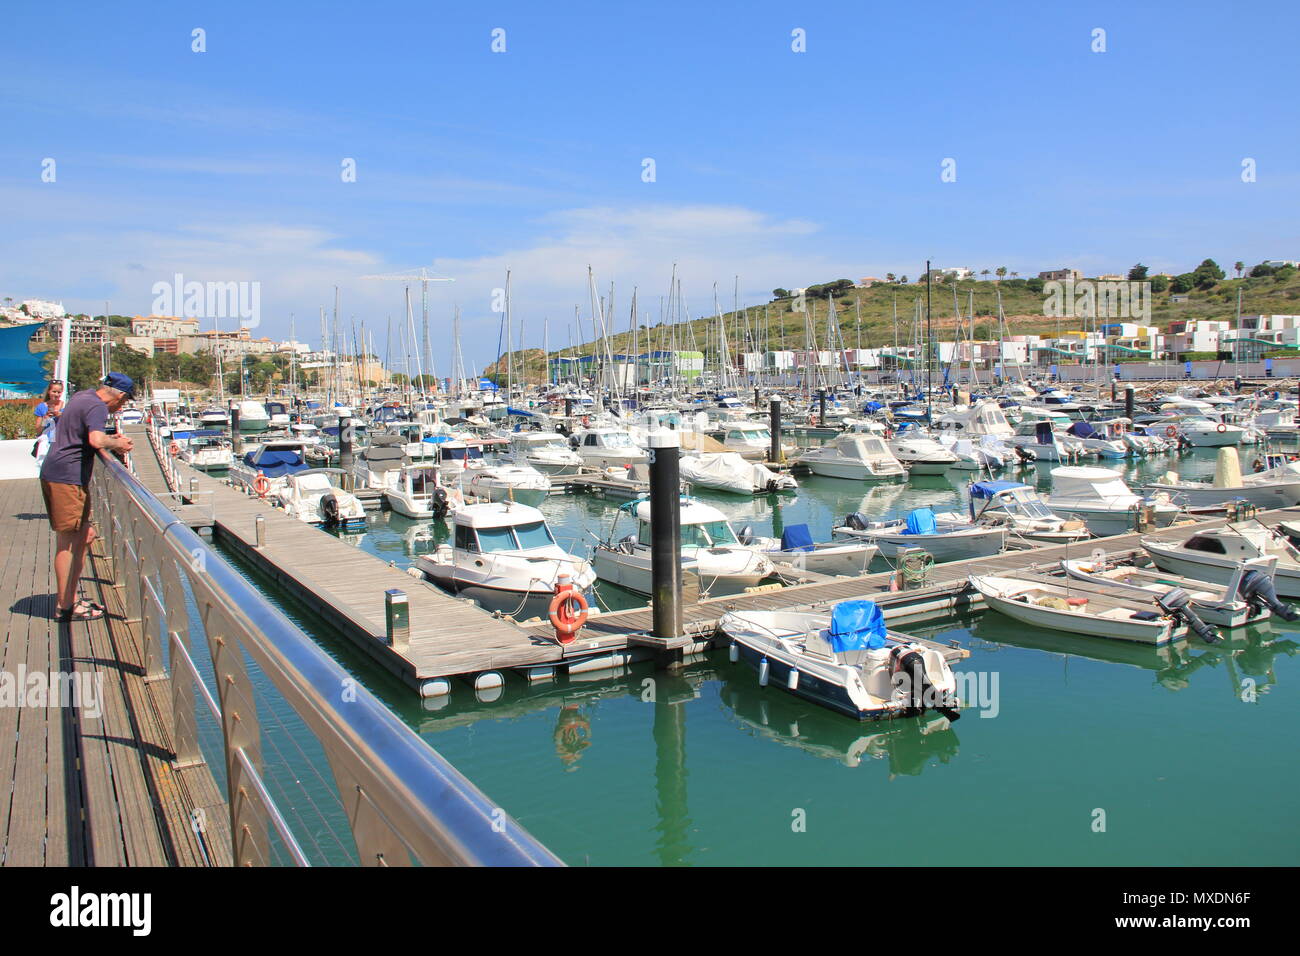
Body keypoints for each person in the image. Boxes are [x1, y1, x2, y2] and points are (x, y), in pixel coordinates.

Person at [39, 373, 136, 622]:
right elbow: (95, 439)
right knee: (68, 542)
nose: (120, 408)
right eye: (123, 403)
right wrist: (117, 442)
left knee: (85, 535)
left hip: (62, 474)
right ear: (120, 397)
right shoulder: (97, 408)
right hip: (67, 478)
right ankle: (66, 606)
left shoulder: (83, 396)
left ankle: (69, 600)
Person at [32, 379, 65, 466]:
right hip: (47, 443)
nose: (57, 394)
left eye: (59, 392)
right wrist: (45, 419)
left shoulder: (66, 406)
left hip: (61, 443)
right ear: (49, 392)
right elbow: (38, 430)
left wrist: (61, 415)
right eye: (54, 391)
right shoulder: (42, 407)